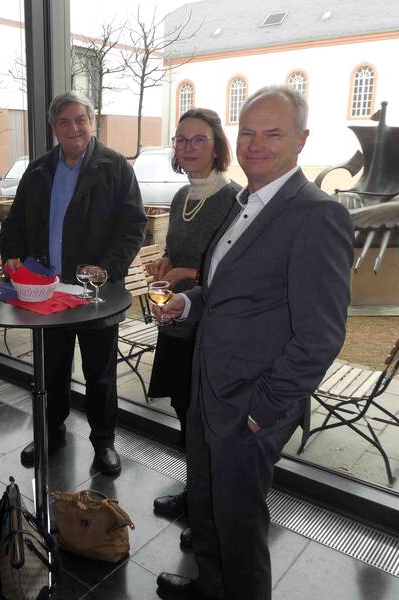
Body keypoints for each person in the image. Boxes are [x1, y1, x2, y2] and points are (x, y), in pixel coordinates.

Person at [153, 86, 353, 599]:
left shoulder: (316, 215)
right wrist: (189, 304)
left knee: (239, 527)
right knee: (207, 505)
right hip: (209, 390)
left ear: (302, 140)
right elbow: (225, 290)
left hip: (249, 404)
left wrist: (263, 409)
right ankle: (209, 587)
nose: (256, 144)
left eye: (273, 133)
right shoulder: (244, 202)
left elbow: (321, 336)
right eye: (247, 132)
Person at [0, 91, 147, 476]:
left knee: (100, 374)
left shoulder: (115, 167)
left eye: (80, 119)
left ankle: (104, 441)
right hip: (47, 291)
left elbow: (133, 225)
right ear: (54, 127)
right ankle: (51, 433)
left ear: (92, 122)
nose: (73, 128)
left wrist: (107, 268)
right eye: (64, 121)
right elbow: (15, 221)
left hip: (95, 292)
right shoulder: (38, 169)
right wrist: (11, 254)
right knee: (51, 371)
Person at [147, 109, 240, 533]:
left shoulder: (234, 200)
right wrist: (167, 264)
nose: (188, 147)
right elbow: (175, 248)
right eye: (181, 139)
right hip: (178, 321)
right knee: (185, 410)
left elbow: (233, 271)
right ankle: (195, 496)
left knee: (207, 419)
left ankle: (210, 511)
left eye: (198, 139)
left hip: (210, 326)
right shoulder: (182, 196)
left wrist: (185, 273)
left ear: (217, 147)